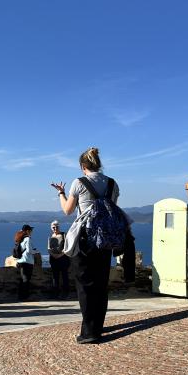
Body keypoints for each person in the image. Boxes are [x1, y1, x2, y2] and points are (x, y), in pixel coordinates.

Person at [50, 147, 119, 343]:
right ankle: (98, 325)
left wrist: (61, 194)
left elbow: (67, 210)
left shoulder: (79, 183)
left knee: (85, 284)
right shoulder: (113, 184)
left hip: (86, 238)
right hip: (105, 238)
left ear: (83, 166)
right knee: (100, 282)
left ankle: (89, 332)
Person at [48, 220, 70, 299]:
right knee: (55, 277)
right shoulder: (51, 236)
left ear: (59, 227)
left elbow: (67, 247)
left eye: (56, 227)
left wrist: (60, 255)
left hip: (63, 259)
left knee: (65, 276)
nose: (55, 228)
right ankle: (55, 293)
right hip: (54, 260)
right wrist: (53, 255)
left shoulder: (64, 235)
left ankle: (65, 293)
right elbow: (49, 248)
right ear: (51, 228)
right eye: (53, 227)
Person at [15, 225, 35, 300]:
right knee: (26, 280)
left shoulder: (20, 238)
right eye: (30, 230)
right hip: (27, 261)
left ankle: (20, 296)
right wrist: (36, 251)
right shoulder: (27, 239)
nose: (31, 232)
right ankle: (25, 297)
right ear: (27, 231)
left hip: (20, 261)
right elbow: (29, 250)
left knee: (22, 279)